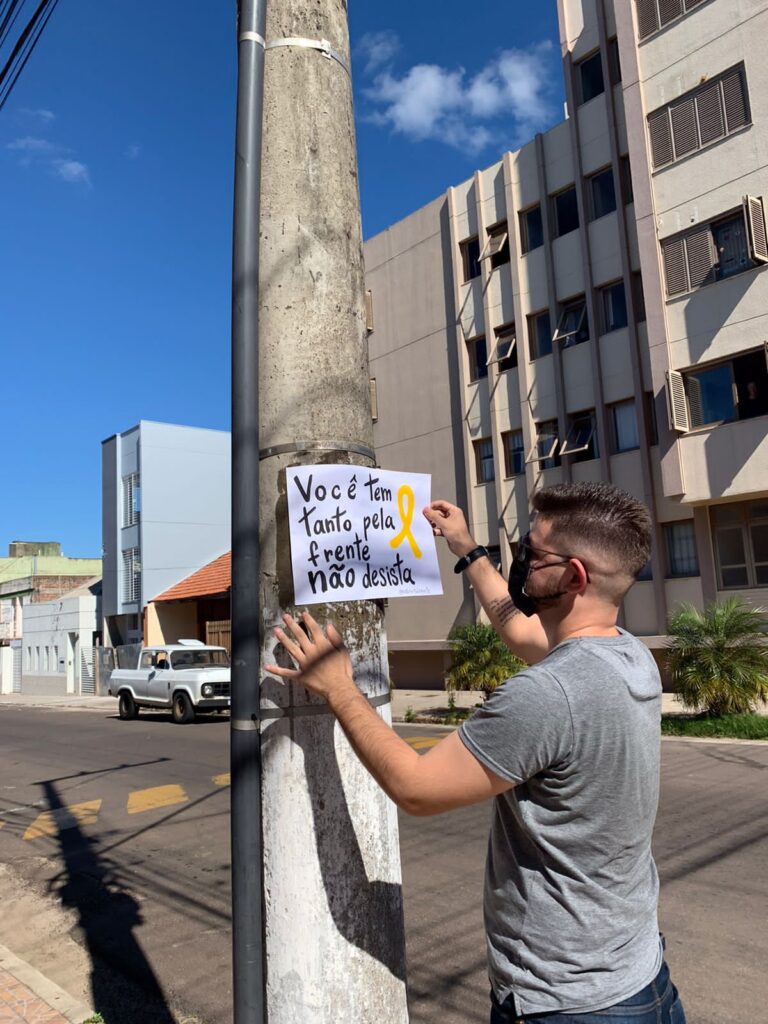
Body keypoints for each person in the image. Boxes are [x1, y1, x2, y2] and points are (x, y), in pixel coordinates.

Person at [266, 481, 686, 1024]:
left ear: (574, 576)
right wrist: (468, 551)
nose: (522, 561)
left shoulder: (548, 695)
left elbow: (417, 789)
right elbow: (521, 632)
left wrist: (339, 687)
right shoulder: (629, 655)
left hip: (567, 1006)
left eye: (532, 555)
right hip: (642, 981)